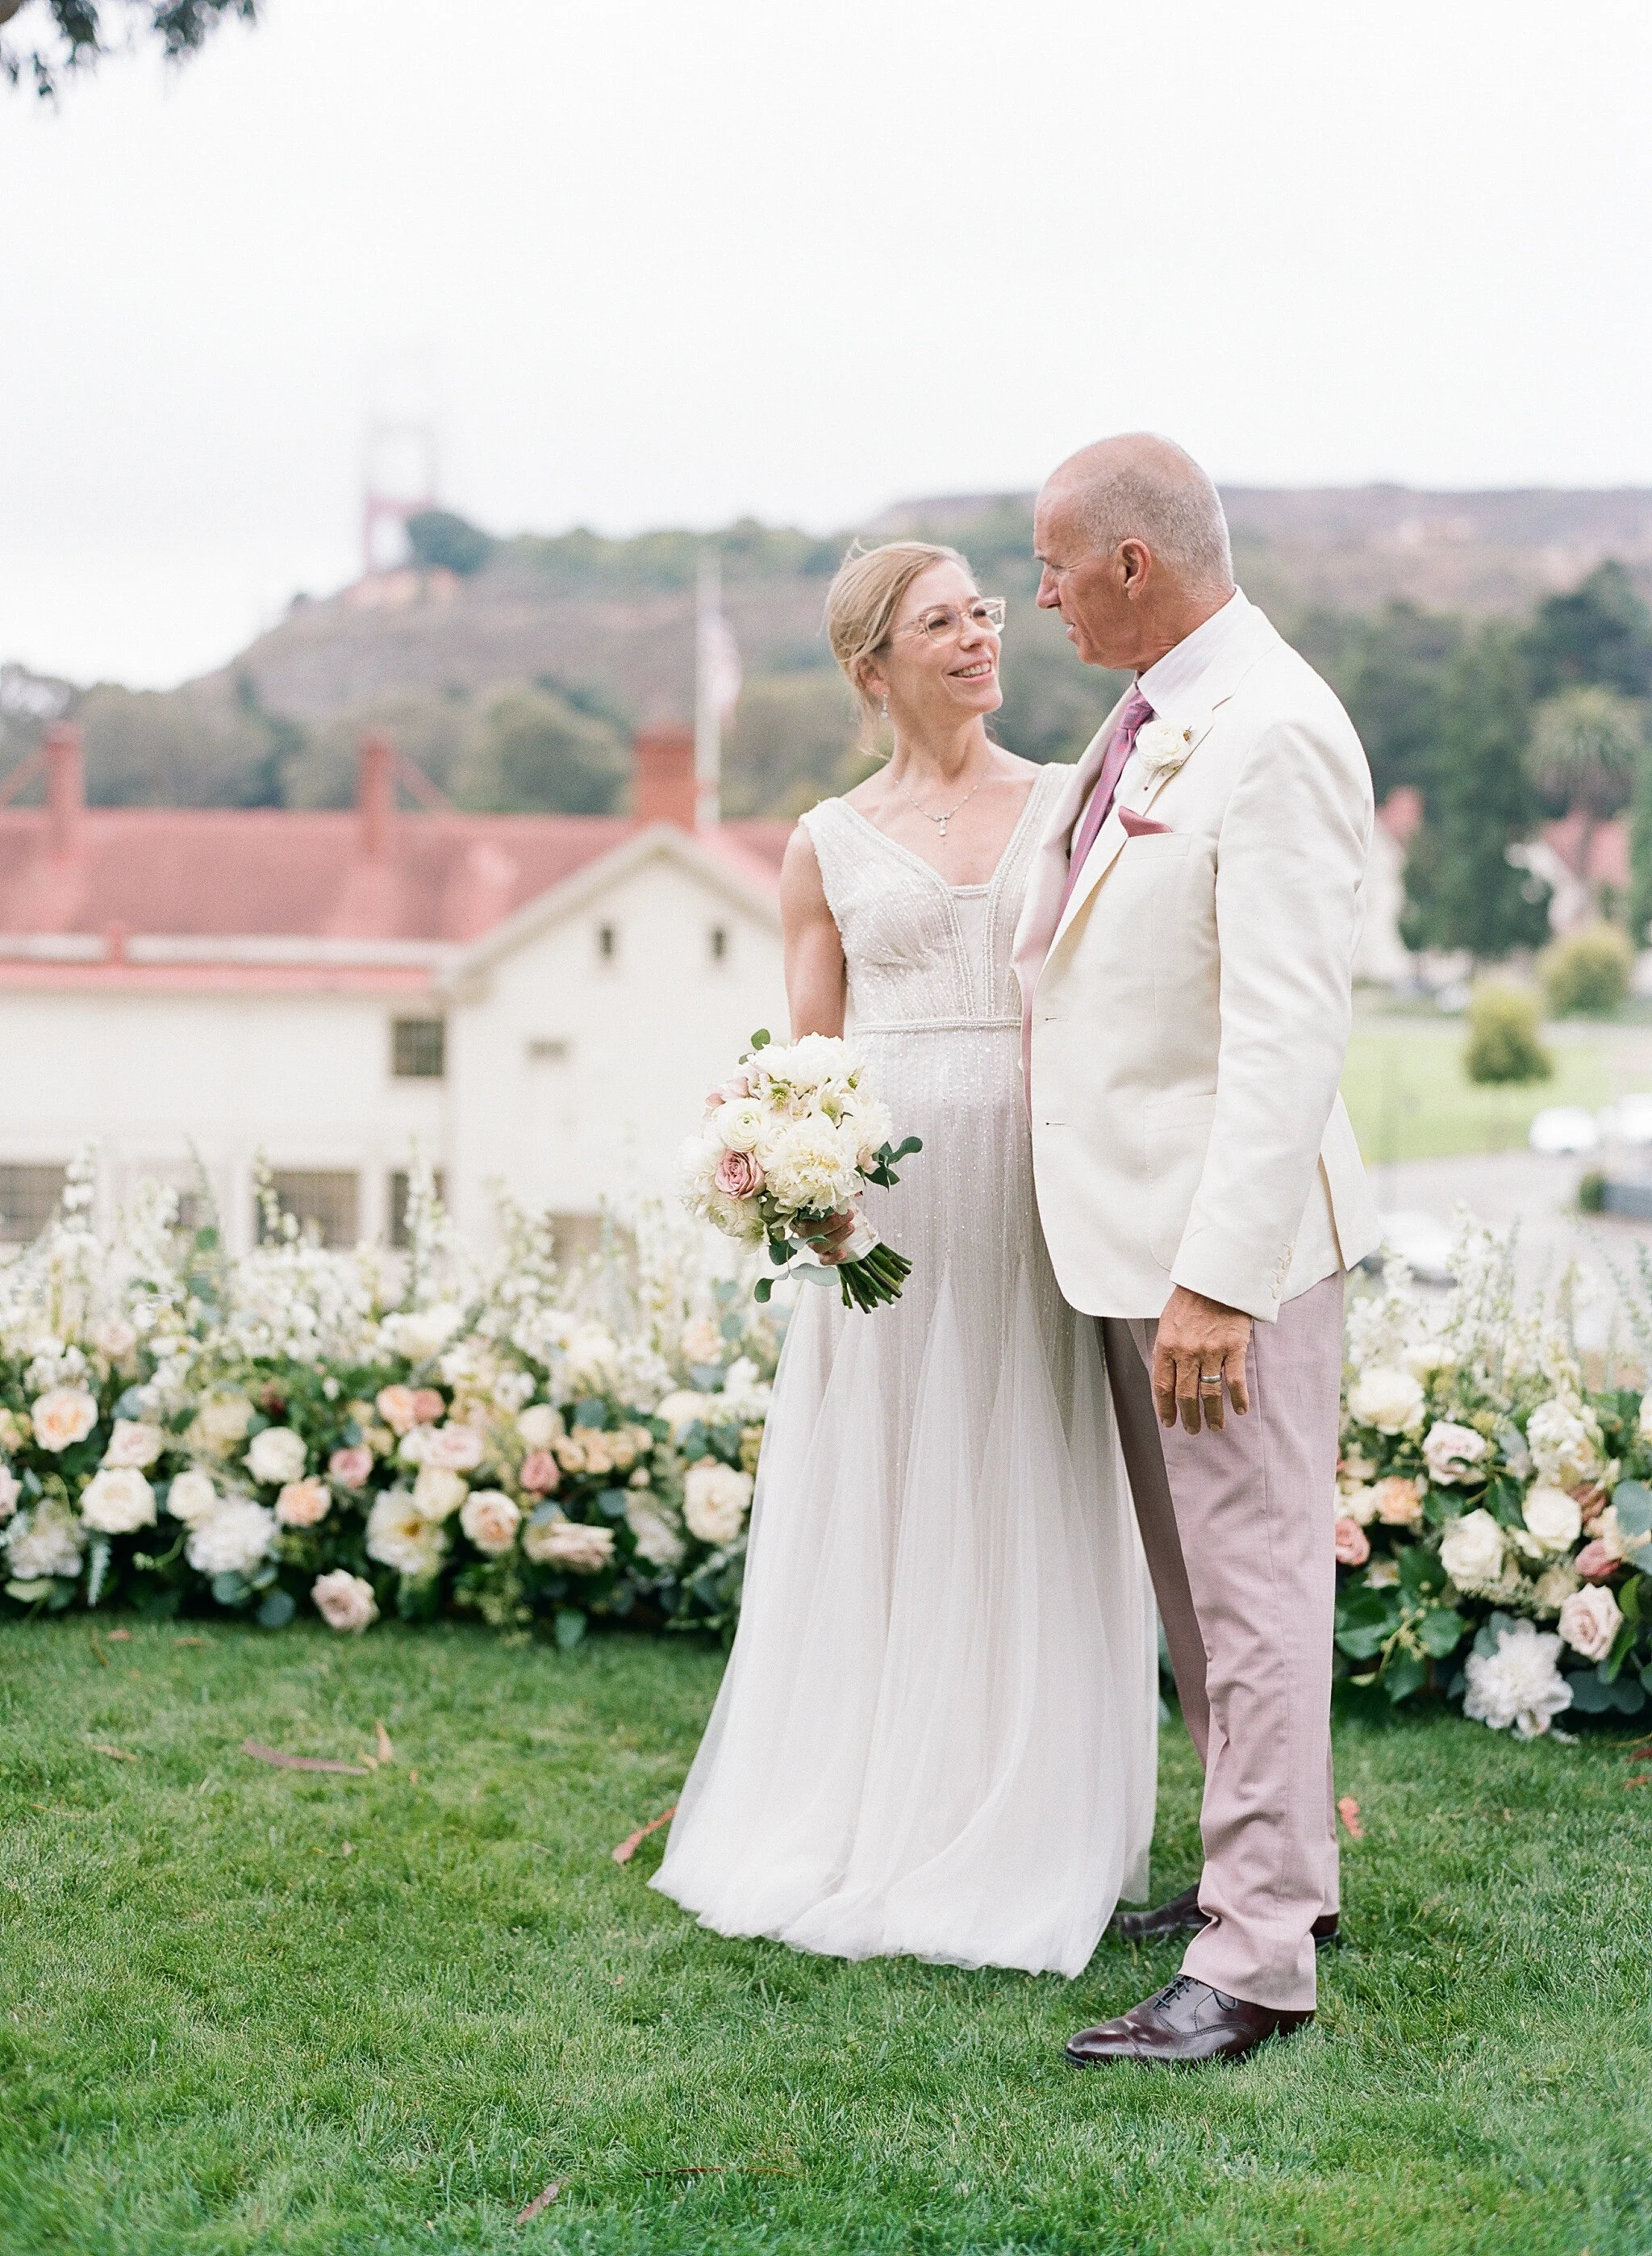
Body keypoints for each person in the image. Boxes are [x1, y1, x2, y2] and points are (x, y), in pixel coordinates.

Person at [653, 540, 1158, 1975]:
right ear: (873, 666)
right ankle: (872, 1803)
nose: (983, 637)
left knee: (1032, 1473)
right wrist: (801, 1183)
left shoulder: (1072, 800)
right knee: (892, 1484)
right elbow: (806, 1054)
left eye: (987, 612)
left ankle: (1032, 1812)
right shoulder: (824, 840)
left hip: (1040, 1187)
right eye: (944, 622)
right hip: (894, 1217)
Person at [1013, 433, 1381, 2066]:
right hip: (1129, 1243)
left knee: (1246, 1596)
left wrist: (1219, 1280)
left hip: (1222, 1262)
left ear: (1133, 566)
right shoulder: (1160, 708)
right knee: (1200, 1594)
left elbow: (1288, 1031)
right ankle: (1269, 1878)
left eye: (1052, 567)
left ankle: (1254, 1966)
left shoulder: (1278, 729)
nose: (1036, 597)